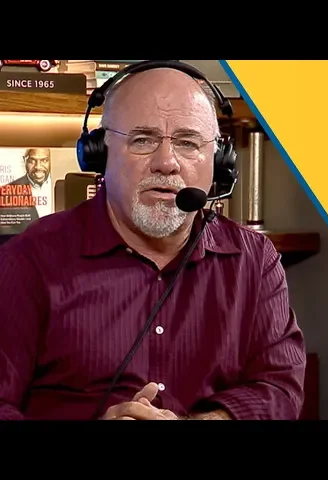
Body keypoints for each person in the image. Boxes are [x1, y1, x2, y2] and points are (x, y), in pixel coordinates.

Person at [0, 65, 306, 420]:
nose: (166, 163)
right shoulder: (29, 260)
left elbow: (281, 388)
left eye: (188, 142)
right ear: (100, 153)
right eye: (142, 140)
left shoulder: (254, 261)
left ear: (219, 162)